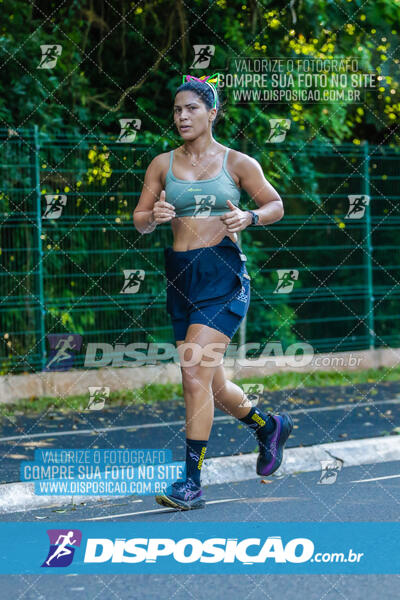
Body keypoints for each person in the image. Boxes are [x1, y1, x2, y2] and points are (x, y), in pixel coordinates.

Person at [133, 74, 293, 511]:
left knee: (192, 375)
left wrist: (250, 218)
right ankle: (268, 427)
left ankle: (191, 483)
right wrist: (156, 215)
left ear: (212, 113)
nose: (182, 116)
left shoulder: (238, 163)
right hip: (181, 276)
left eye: (191, 109)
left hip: (222, 275)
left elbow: (275, 204)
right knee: (213, 383)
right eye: (177, 110)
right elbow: (140, 218)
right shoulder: (161, 164)